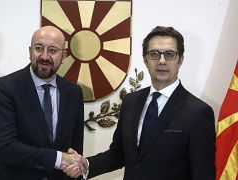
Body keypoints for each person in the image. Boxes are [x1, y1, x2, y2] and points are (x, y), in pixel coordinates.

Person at [64, 26, 216, 179]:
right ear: (145, 59)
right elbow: (118, 154)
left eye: (169, 54)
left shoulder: (198, 112)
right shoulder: (131, 101)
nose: (162, 61)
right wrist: (86, 165)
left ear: (180, 60)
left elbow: (203, 174)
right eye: (154, 54)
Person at [0, 25, 84, 180]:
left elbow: (74, 150)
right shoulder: (6, 87)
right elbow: (5, 148)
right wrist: (59, 158)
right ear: (30, 52)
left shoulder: (73, 92)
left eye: (53, 50)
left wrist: (75, 168)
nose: (45, 56)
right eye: (39, 48)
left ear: (64, 56)